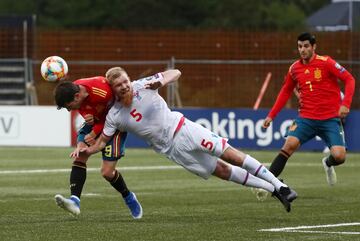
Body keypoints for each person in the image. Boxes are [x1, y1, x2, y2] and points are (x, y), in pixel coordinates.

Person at [75, 67, 298, 213]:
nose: (124, 86)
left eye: (125, 81)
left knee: (230, 154)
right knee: (221, 171)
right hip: (172, 150)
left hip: (184, 129)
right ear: (112, 90)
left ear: (129, 79)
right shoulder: (114, 115)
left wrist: (161, 81)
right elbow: (103, 142)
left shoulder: (143, 85)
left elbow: (176, 72)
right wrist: (87, 150)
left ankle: (281, 185)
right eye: (118, 85)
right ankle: (272, 189)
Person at [260, 32, 355, 195]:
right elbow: (285, 92)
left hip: (330, 119)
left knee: (339, 157)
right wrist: (271, 115)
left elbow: (350, 79)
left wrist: (345, 104)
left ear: (313, 47)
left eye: (305, 46)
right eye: (299, 46)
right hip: (306, 118)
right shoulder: (294, 68)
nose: (302, 50)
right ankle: (265, 185)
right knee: (288, 146)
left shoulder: (327, 63)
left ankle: (328, 162)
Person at [53, 76, 142, 219]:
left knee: (107, 172)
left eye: (69, 106)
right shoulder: (76, 90)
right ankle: (75, 201)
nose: (69, 110)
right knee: (80, 155)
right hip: (98, 120)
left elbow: (113, 116)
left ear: (77, 96)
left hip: (116, 124)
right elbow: (89, 117)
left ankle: (129, 197)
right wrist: (81, 143)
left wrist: (95, 132)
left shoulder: (102, 93)